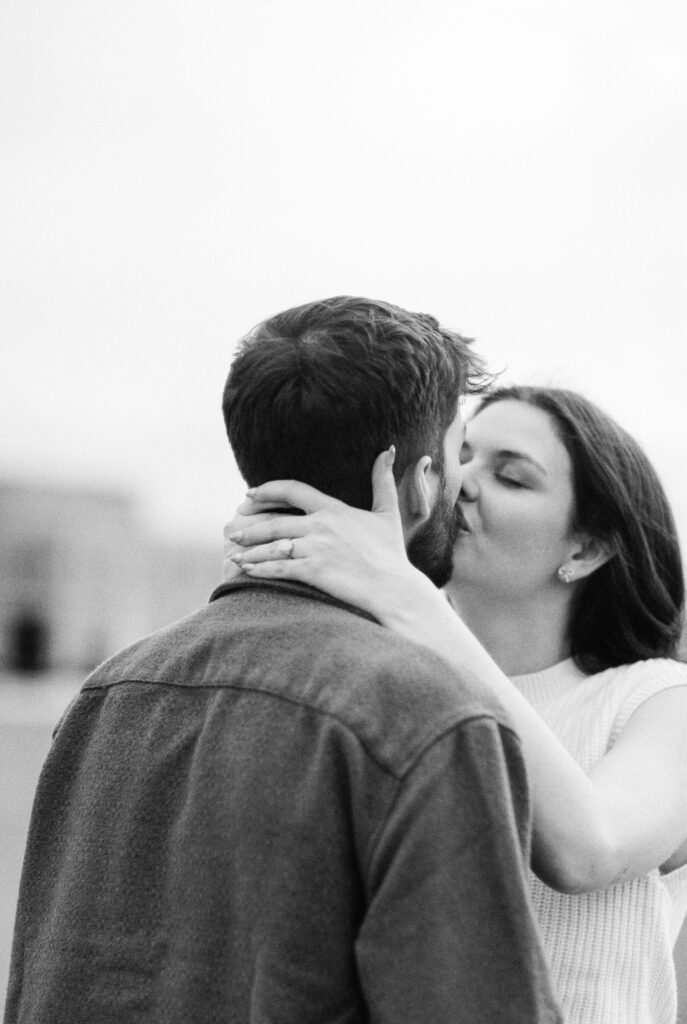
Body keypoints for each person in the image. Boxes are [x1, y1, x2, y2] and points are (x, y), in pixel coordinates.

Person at [4, 301, 562, 1024]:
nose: (469, 483)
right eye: (459, 455)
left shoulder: (105, 695)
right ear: (415, 483)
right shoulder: (426, 715)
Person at [224, 384, 687, 1024]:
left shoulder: (659, 701)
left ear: (584, 550)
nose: (462, 481)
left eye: (512, 477)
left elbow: (590, 849)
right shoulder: (384, 677)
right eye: (461, 453)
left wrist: (406, 595)